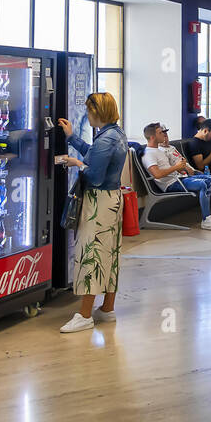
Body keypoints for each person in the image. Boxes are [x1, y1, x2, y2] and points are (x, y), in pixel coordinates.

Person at [56, 92, 128, 333]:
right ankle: (107, 308)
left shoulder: (106, 139)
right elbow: (93, 153)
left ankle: (84, 315)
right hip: (113, 199)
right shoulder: (115, 134)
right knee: (110, 254)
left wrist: (75, 164)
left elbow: (94, 175)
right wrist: (72, 138)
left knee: (91, 254)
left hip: (98, 203)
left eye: (89, 111)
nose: (87, 116)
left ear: (98, 112)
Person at [142, 122, 211, 229]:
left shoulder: (158, 151)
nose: (164, 135)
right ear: (152, 137)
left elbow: (168, 168)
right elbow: (156, 174)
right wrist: (177, 168)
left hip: (180, 178)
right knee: (205, 184)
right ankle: (207, 219)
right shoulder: (149, 153)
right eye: (160, 133)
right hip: (171, 184)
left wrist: (180, 169)